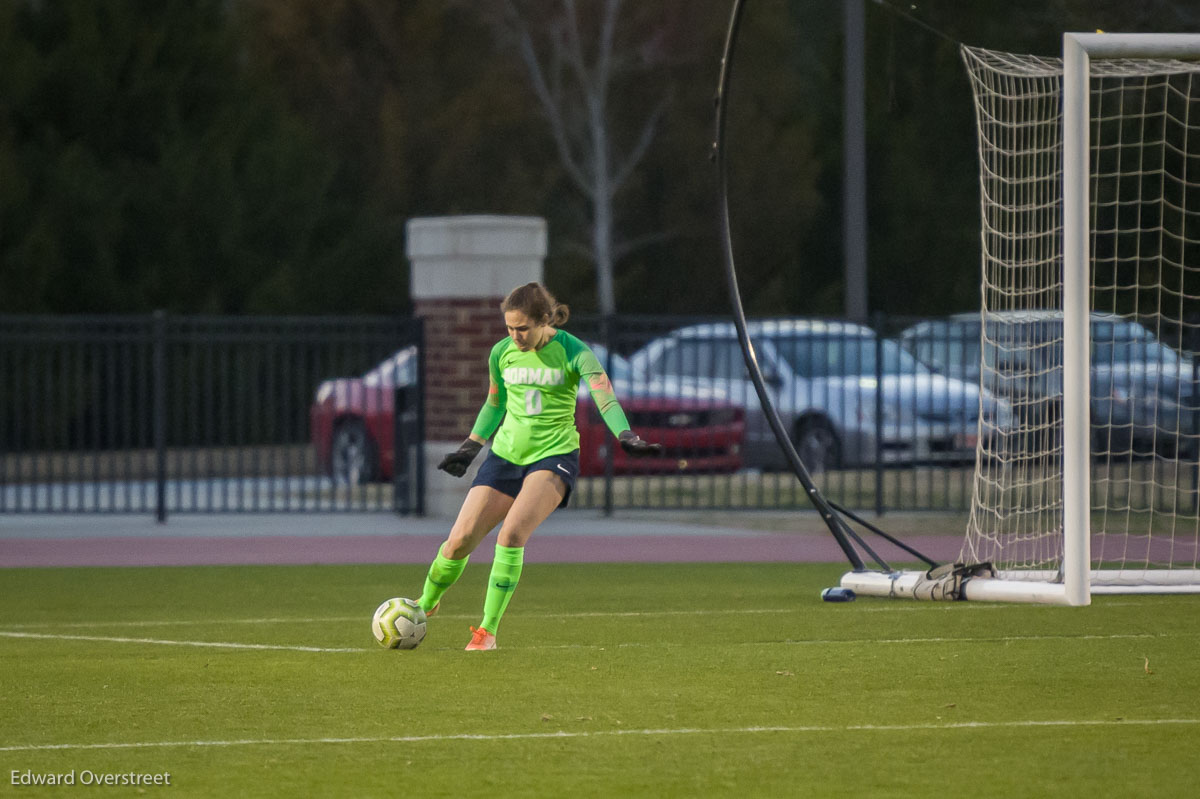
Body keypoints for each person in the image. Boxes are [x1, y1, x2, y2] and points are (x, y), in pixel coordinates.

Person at [416, 282, 661, 651]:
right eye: (509, 327)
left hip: (554, 457)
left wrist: (626, 435)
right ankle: (423, 605)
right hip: (506, 456)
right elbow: (495, 404)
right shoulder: (502, 352)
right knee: (458, 541)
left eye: (523, 328)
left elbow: (604, 397)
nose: (515, 335)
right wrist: (470, 447)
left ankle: (487, 630)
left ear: (545, 320)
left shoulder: (576, 352)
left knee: (511, 535)